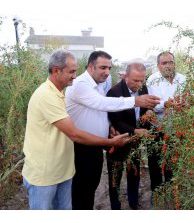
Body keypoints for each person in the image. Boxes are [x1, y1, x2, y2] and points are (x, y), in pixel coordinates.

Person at [22, 49, 130, 210]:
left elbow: (97, 111)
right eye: (71, 71)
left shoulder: (58, 93)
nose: (74, 75)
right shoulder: (47, 96)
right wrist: (110, 142)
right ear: (56, 70)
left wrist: (108, 128)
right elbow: (74, 134)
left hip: (62, 169)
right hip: (45, 173)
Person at [65, 51, 160, 210]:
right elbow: (103, 104)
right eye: (103, 67)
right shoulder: (81, 85)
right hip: (82, 148)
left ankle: (132, 203)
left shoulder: (99, 85)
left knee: (89, 191)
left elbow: (101, 113)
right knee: (82, 192)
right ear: (90, 66)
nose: (107, 72)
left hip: (97, 145)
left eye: (109, 68)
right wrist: (135, 102)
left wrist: (109, 127)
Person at [106, 62, 150, 210]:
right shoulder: (114, 92)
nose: (139, 84)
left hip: (135, 141)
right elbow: (116, 121)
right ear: (125, 76)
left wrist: (148, 112)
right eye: (135, 80)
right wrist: (135, 131)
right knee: (115, 178)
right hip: (119, 140)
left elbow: (144, 110)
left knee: (134, 172)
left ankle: (133, 202)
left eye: (142, 80)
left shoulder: (143, 88)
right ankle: (115, 206)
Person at [146, 51, 186, 194]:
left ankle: (171, 191)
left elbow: (189, 99)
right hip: (159, 129)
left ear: (175, 63)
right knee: (156, 162)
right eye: (164, 63)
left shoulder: (183, 80)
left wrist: (186, 105)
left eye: (171, 62)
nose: (168, 66)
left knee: (173, 161)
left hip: (178, 129)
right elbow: (153, 105)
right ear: (158, 66)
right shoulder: (152, 80)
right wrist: (167, 104)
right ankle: (156, 193)